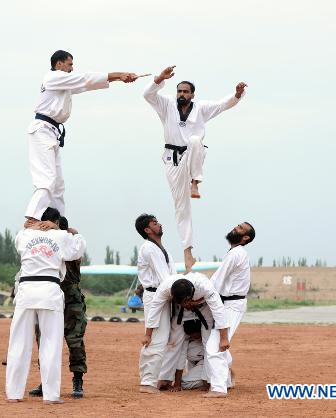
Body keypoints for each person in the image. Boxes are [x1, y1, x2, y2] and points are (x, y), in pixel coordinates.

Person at [143, 65, 247, 272]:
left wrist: (236, 95)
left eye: (185, 91)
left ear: (192, 95)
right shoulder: (166, 105)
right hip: (172, 159)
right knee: (181, 208)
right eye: (179, 91)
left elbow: (223, 105)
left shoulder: (202, 108)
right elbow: (147, 94)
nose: (181, 94)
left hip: (193, 156)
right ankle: (187, 252)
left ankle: (195, 182)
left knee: (195, 141)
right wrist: (159, 79)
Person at [25, 50, 138, 221]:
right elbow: (85, 78)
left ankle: (59, 221)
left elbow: (86, 84)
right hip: (42, 130)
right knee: (46, 179)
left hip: (51, 132)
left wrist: (116, 79)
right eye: (69, 64)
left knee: (58, 184)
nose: (72, 68)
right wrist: (119, 74)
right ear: (59, 64)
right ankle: (32, 218)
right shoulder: (53, 77)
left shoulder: (63, 83)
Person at [5, 207, 86, 404]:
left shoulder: (24, 235)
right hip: (49, 291)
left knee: (18, 343)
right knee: (51, 343)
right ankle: (51, 396)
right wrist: (67, 231)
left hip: (26, 291)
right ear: (56, 222)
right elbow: (79, 247)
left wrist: (31, 226)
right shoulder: (61, 236)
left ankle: (14, 393)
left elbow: (21, 235)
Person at [28, 216, 88, 399]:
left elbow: (77, 242)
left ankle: (77, 380)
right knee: (44, 340)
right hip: (49, 297)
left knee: (75, 340)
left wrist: (69, 232)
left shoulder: (71, 244)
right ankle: (46, 380)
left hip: (71, 300)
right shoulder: (45, 247)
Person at [143, 272, 230, 398]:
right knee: (174, 342)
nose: (185, 304)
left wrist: (223, 338)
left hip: (204, 308)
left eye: (185, 301)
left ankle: (209, 381)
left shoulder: (204, 286)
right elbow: (155, 309)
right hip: (181, 313)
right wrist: (148, 335)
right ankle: (165, 378)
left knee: (208, 342)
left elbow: (219, 311)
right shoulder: (166, 287)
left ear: (191, 294)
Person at [209, 221, 256, 394]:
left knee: (215, 345)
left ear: (245, 238)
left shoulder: (236, 253)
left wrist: (201, 295)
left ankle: (219, 388)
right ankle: (227, 379)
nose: (235, 228)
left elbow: (217, 281)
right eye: (236, 226)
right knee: (214, 341)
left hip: (231, 304)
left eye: (240, 228)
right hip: (227, 303)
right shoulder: (234, 252)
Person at [135, 214, 176, 394]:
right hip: (155, 296)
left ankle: (158, 378)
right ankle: (147, 382)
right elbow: (165, 278)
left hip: (164, 295)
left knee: (167, 338)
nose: (159, 224)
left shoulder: (160, 248)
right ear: (147, 230)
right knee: (156, 338)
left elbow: (170, 276)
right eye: (154, 223)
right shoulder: (149, 248)